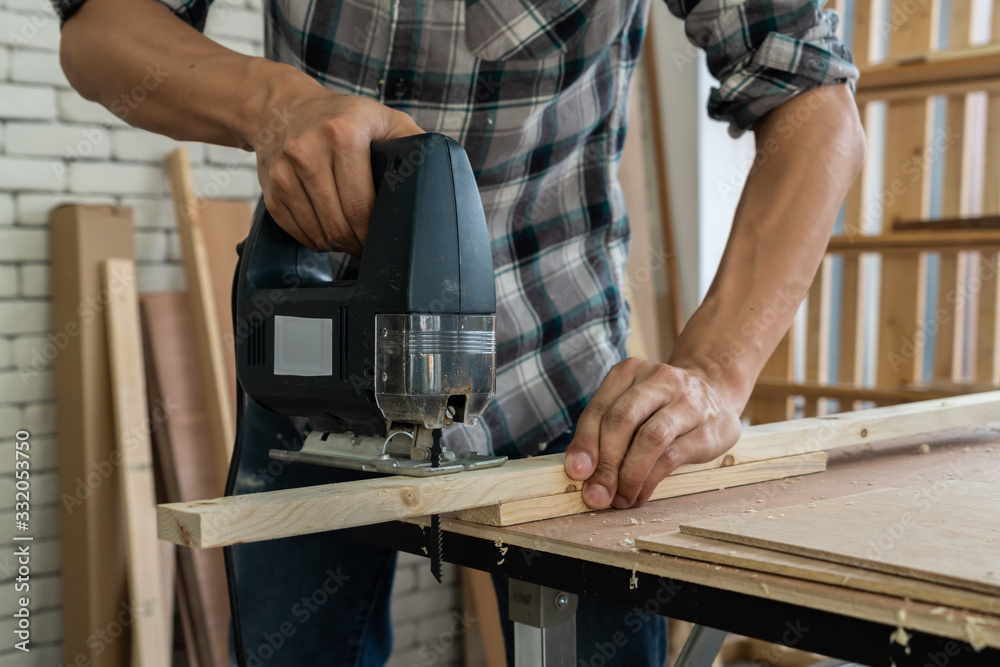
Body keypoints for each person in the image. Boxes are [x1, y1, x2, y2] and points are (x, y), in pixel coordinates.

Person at [54, 0, 864, 664]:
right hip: (318, 374)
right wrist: (276, 105)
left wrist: (717, 368)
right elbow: (100, 30)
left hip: (560, 366)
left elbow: (815, 101)